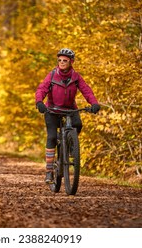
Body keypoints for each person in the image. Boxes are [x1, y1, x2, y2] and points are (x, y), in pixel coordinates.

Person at [35, 48, 100, 184]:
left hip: (70, 109)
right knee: (52, 137)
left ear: (71, 62)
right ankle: (49, 171)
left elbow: (86, 90)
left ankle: (71, 146)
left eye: (65, 60)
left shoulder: (76, 77)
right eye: (60, 60)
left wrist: (94, 103)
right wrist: (39, 102)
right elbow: (42, 88)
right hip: (52, 110)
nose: (62, 63)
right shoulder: (52, 75)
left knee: (78, 125)